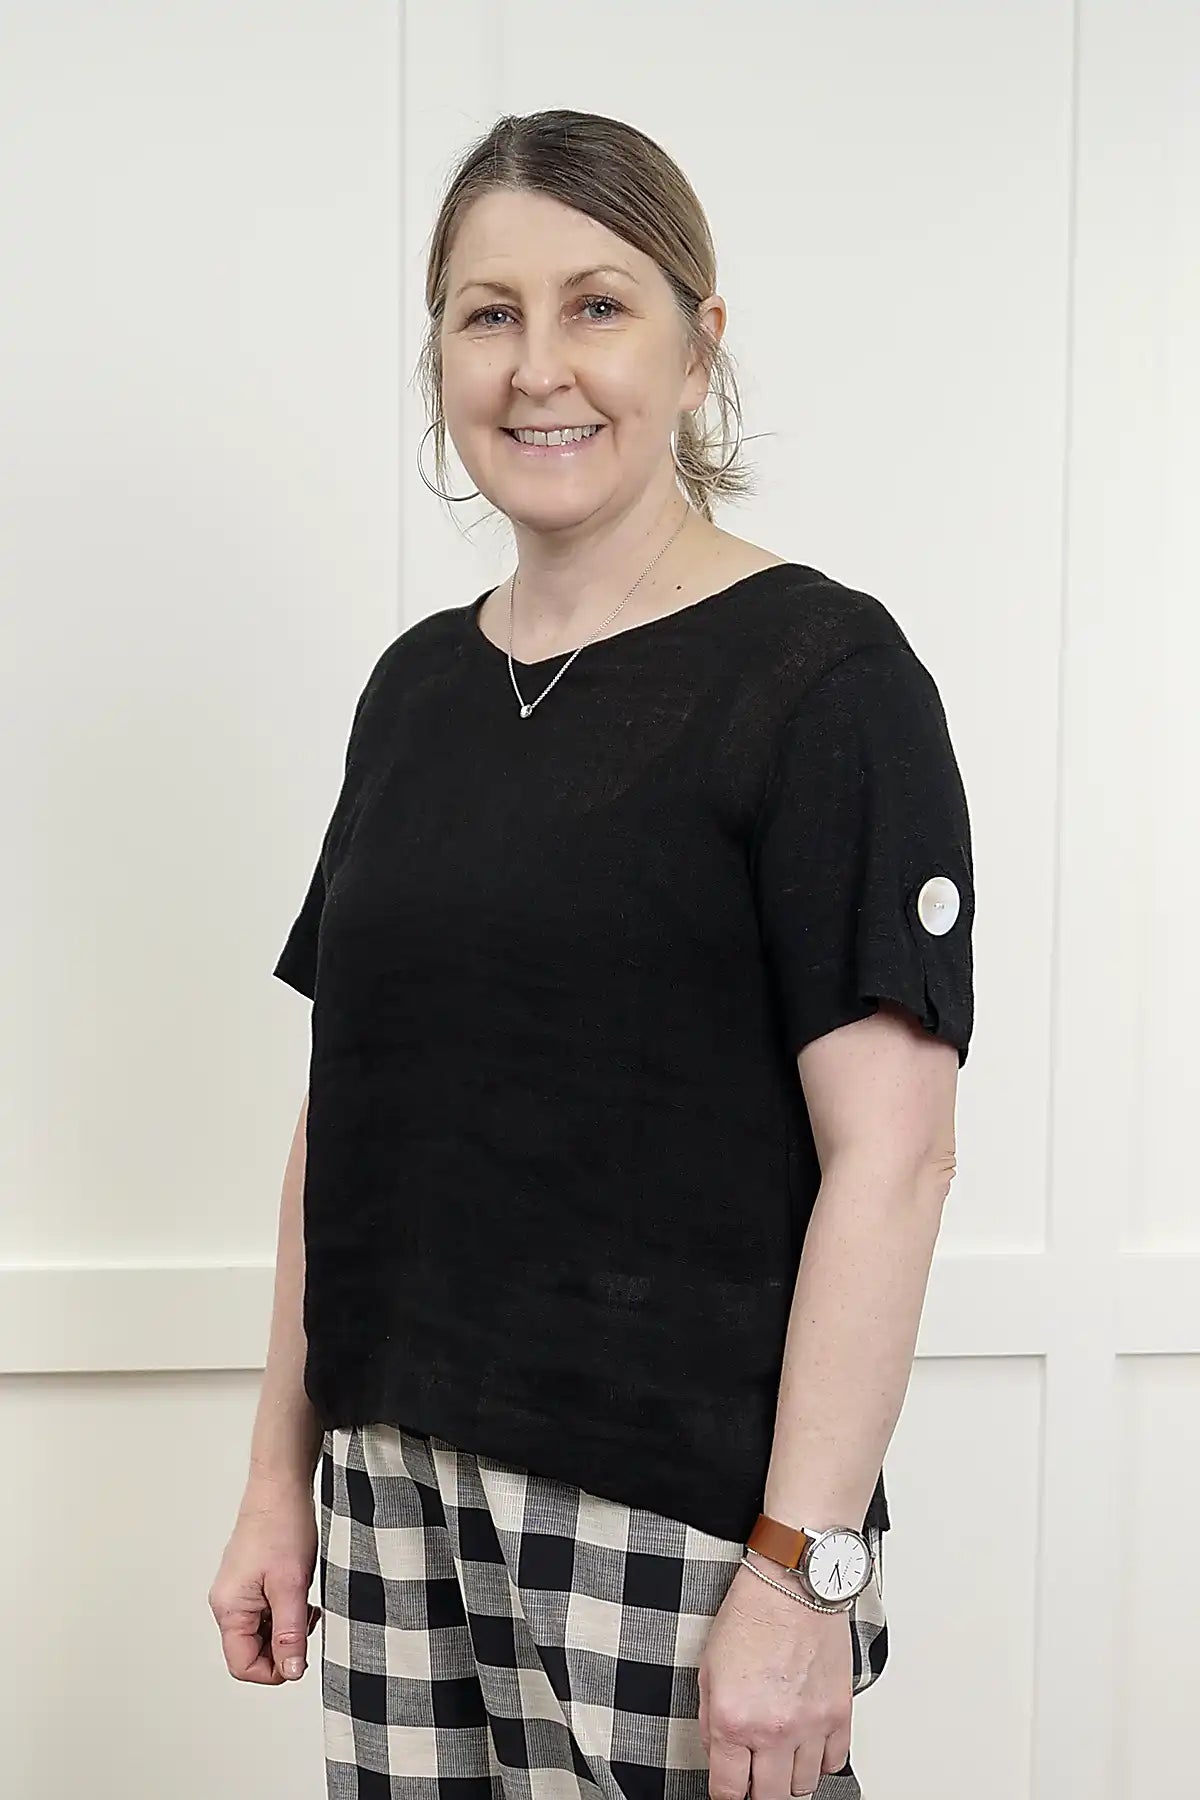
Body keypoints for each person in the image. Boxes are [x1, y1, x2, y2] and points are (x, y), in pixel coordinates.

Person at [208, 108, 974, 1800]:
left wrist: (801, 1576)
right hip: (391, 1490)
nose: (538, 366)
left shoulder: (825, 680)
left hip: (674, 1524)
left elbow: (897, 1159)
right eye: (488, 314)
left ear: (700, 349)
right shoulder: (415, 690)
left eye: (598, 304)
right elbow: (350, 1116)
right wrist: (279, 1476)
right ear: (441, 357)